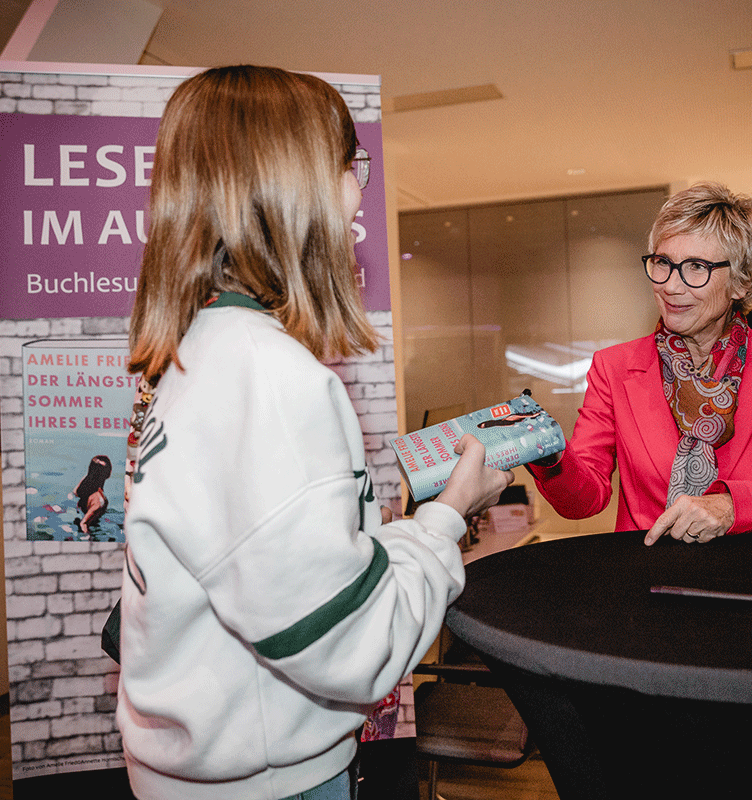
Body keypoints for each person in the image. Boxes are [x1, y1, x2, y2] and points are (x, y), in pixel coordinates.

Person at [116, 65, 512, 800]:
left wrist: (399, 536)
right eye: (349, 163)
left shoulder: (191, 351)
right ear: (298, 182)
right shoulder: (272, 379)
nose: (358, 188)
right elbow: (350, 647)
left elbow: (289, 576)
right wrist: (450, 514)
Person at [528, 182, 752, 544]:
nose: (671, 286)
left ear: (743, 281)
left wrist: (732, 508)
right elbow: (585, 500)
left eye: (696, 267)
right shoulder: (613, 368)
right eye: (663, 263)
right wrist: (548, 454)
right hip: (648, 580)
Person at [73, 454, 111, 533]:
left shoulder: (83, 485)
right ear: (108, 474)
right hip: (88, 526)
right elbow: (83, 524)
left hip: (73, 516)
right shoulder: (99, 501)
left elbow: (75, 493)